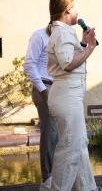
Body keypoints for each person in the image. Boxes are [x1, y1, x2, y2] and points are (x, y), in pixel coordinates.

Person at [46, 0, 101, 191]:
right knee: (70, 147)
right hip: (66, 95)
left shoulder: (65, 32)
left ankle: (88, 188)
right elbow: (68, 64)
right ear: (68, 9)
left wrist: (84, 43)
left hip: (69, 95)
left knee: (78, 144)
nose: (78, 10)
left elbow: (71, 58)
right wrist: (91, 47)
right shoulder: (61, 33)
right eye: (75, 6)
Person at [24, 25, 59, 191]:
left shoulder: (64, 36)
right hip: (45, 87)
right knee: (51, 132)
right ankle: (48, 180)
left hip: (60, 88)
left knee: (62, 133)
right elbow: (29, 65)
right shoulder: (39, 36)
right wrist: (43, 90)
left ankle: (60, 177)